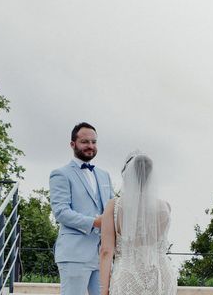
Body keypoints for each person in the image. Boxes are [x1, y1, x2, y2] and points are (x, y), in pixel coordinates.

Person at [99, 151, 177, 295]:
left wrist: (103, 291)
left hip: (127, 278)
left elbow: (106, 251)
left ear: (127, 176)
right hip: (161, 277)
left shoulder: (114, 206)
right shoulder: (165, 207)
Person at [50, 122, 114, 295]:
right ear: (73, 144)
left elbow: (112, 209)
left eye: (94, 142)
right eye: (85, 142)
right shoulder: (61, 174)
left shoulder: (104, 175)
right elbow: (61, 212)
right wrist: (95, 222)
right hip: (74, 254)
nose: (90, 146)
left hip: (103, 254)